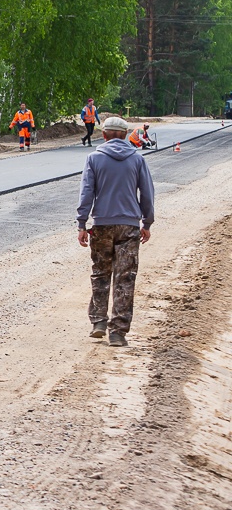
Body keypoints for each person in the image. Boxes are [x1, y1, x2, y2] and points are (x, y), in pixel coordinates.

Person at [76, 116, 155, 348]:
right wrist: (147, 223)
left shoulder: (94, 159)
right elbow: (147, 194)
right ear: (125, 134)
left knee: (100, 273)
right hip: (129, 226)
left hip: (101, 225)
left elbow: (86, 193)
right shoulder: (137, 160)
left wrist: (82, 223)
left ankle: (98, 322)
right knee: (125, 278)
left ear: (104, 134)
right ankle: (118, 333)